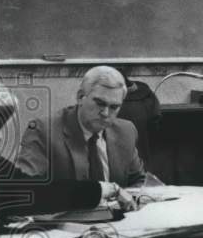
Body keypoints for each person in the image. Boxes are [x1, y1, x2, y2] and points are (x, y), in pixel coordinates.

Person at [14, 65, 144, 207]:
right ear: (80, 97)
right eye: (100, 103)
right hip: (67, 224)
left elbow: (139, 183)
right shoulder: (44, 131)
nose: (105, 113)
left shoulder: (126, 131)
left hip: (117, 223)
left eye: (114, 107)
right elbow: (26, 190)